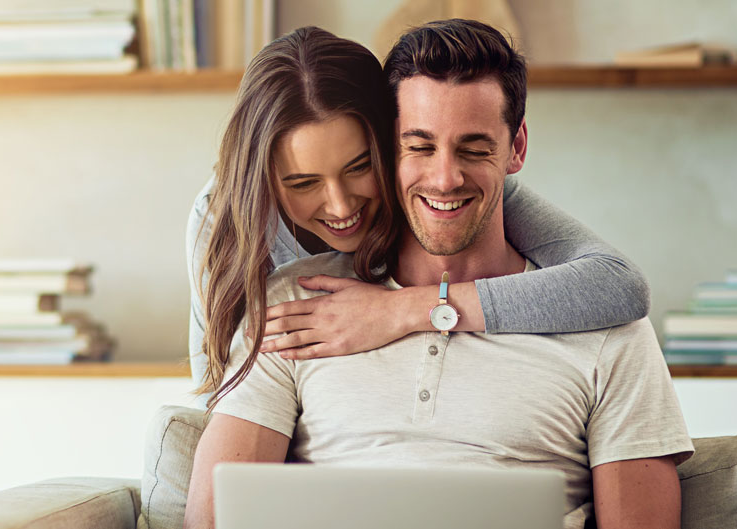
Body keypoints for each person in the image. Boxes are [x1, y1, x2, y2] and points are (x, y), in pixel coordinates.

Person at [184, 20, 693, 529]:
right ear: (392, 147)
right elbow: (212, 516)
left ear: (516, 148)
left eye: (474, 148)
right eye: (420, 146)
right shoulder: (293, 301)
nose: (445, 178)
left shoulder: (607, 323)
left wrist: (408, 309)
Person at [185, 27, 652, 407]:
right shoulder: (223, 220)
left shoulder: (456, 187)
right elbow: (220, 394)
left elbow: (618, 284)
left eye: (360, 166)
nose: (342, 207)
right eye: (303, 183)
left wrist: (401, 309)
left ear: (387, 145)